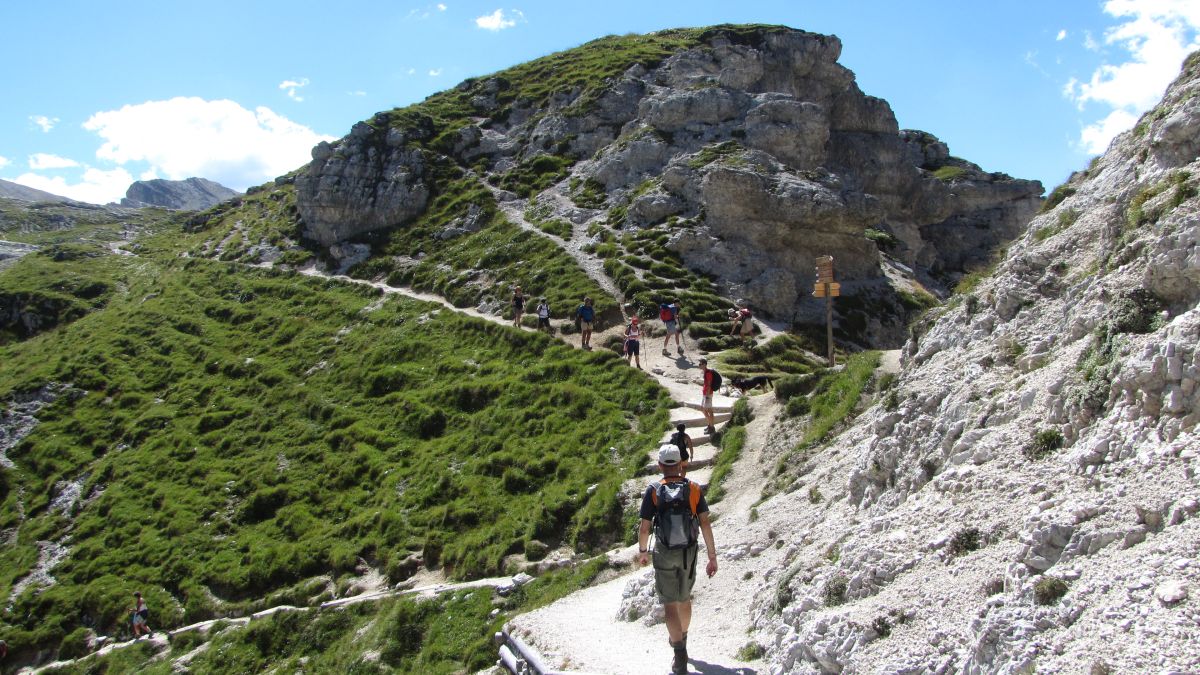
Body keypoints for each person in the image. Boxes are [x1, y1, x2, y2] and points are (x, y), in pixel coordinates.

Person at [637, 445, 718, 675]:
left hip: (664, 552)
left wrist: (643, 551)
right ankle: (683, 638)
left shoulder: (654, 490)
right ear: (681, 464)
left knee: (669, 603)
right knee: (684, 599)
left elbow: (645, 527)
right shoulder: (693, 488)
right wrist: (712, 556)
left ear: (661, 465)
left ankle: (679, 653)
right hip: (688, 552)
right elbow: (704, 523)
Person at [699, 358, 717, 436]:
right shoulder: (705, 372)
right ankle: (710, 425)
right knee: (703, 409)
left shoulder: (708, 373)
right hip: (706, 394)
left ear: (704, 364)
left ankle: (712, 427)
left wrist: (707, 395)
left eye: (700, 364)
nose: (699, 365)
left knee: (709, 410)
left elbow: (709, 384)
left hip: (708, 394)